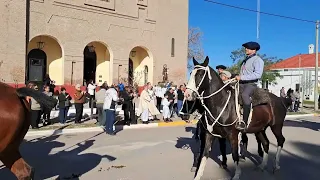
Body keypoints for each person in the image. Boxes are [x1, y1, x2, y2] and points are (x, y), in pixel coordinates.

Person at [235, 41, 264, 131]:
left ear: (254, 50)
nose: (246, 49)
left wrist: (242, 77)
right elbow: (242, 74)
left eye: (248, 48)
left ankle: (245, 121)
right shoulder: (245, 60)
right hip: (241, 83)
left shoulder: (258, 60)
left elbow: (258, 75)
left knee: (244, 95)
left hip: (251, 84)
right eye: (246, 47)